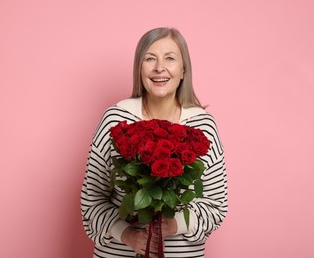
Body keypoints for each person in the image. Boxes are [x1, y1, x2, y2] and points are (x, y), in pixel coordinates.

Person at [81, 27, 228, 258]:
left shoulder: (203, 125)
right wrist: (128, 234)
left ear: (183, 70)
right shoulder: (116, 119)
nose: (160, 67)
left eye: (170, 58)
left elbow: (216, 205)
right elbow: (91, 199)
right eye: (150, 58)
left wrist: (173, 225)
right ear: (139, 68)